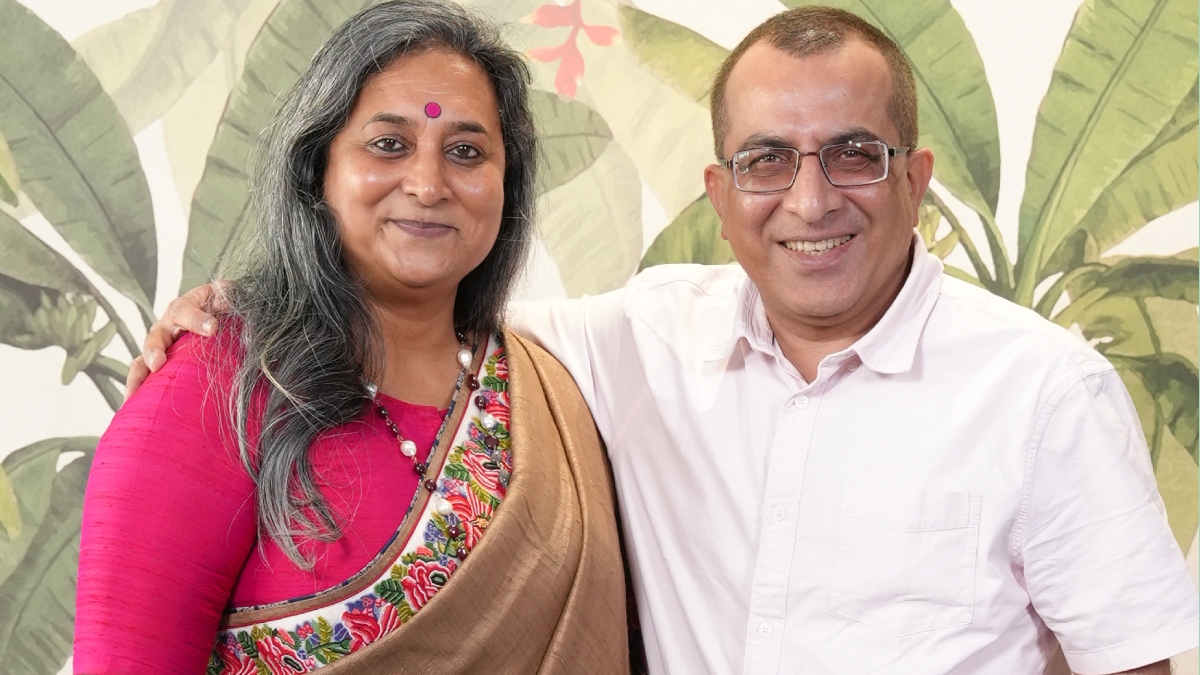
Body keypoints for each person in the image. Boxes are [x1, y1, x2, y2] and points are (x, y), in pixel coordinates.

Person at [131, 6, 1198, 675]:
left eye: (855, 155)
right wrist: (238, 310)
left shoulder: (1043, 392)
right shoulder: (630, 341)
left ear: (915, 179)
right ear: (720, 194)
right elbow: (414, 306)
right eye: (768, 160)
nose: (811, 201)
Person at [75, 2, 629, 674]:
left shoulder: (551, 393)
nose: (428, 184)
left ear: (505, 185)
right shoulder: (219, 382)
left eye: (466, 151)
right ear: (319, 170)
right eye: (389, 144)